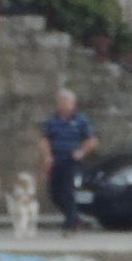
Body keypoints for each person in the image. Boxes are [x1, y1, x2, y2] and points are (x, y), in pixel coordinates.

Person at [40, 89, 97, 236]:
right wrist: (47, 157)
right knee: (55, 194)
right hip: (56, 159)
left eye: (67, 102)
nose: (64, 105)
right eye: (61, 102)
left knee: (67, 191)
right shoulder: (52, 121)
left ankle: (71, 224)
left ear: (73, 104)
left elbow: (92, 140)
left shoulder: (81, 120)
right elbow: (45, 140)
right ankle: (75, 218)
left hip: (72, 160)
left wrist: (81, 152)